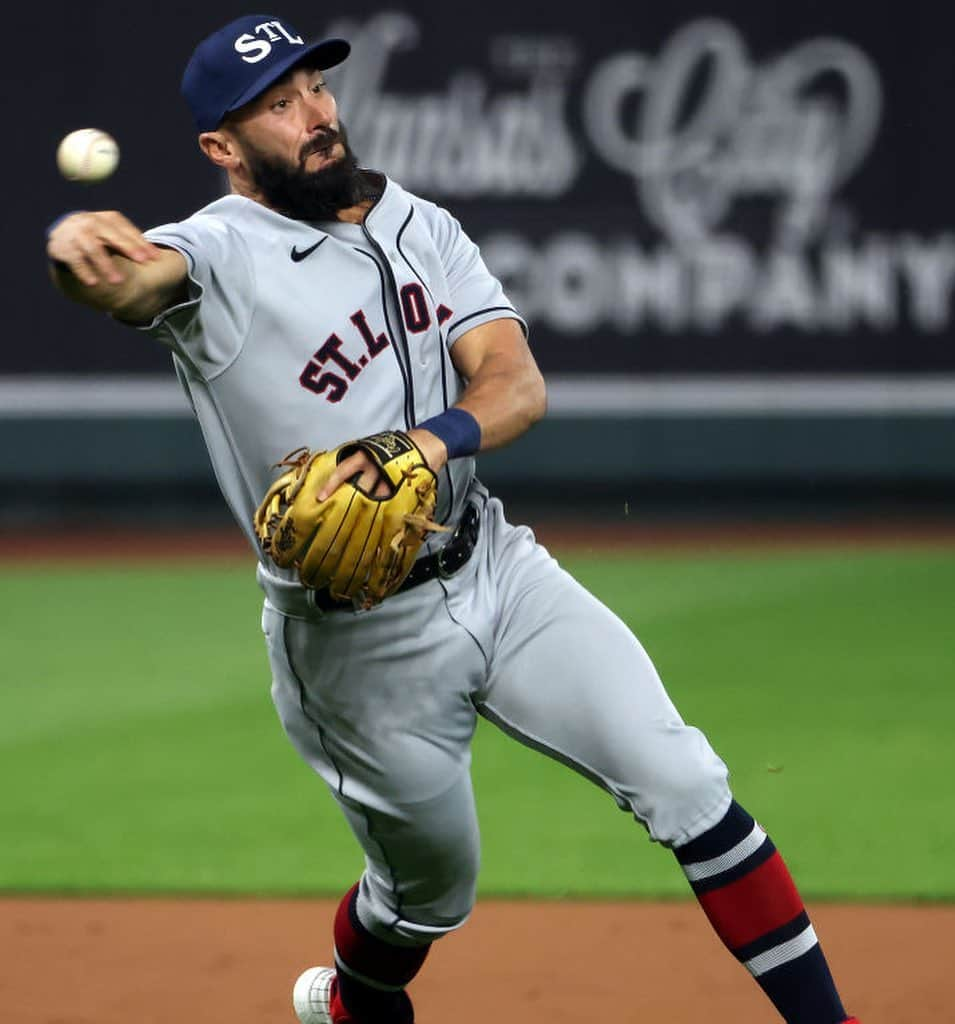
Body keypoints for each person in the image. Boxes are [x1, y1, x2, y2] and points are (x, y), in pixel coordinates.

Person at [46, 14, 861, 1024]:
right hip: (354, 643)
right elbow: (131, 278)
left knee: (685, 778)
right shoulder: (217, 253)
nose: (313, 115)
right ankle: (354, 1001)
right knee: (429, 897)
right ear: (223, 146)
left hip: (497, 570)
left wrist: (422, 446)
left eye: (314, 88)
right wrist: (75, 247)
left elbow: (515, 386)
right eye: (277, 105)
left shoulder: (421, 224)